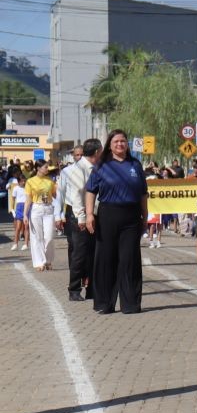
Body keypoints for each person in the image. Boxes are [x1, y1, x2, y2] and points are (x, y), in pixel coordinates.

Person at [86, 130, 149, 315]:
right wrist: (90, 214)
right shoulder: (101, 165)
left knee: (129, 259)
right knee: (106, 258)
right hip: (108, 215)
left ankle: (130, 304)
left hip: (131, 216)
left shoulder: (135, 165)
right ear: (110, 144)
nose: (120, 144)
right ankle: (105, 303)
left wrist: (145, 215)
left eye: (123, 141)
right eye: (116, 141)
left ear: (127, 144)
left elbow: (143, 194)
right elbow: (91, 191)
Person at [55, 139, 102, 301]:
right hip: (78, 216)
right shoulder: (76, 170)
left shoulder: (96, 168)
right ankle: (74, 289)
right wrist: (81, 218)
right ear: (96, 152)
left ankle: (92, 288)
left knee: (93, 254)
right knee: (79, 254)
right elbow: (76, 196)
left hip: (93, 214)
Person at [25, 160, 57, 272]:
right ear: (38, 168)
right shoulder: (30, 181)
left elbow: (55, 195)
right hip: (36, 209)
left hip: (48, 209)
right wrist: (25, 214)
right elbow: (28, 199)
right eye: (45, 167)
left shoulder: (50, 181)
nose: (47, 169)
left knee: (49, 237)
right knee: (37, 237)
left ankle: (48, 260)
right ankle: (40, 262)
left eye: (47, 167)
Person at [11, 173, 28, 250]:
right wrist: (12, 209)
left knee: (26, 226)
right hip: (19, 207)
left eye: (24, 181)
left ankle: (26, 244)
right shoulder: (16, 188)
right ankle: (15, 243)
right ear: (18, 182)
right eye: (22, 181)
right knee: (18, 227)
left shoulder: (27, 187)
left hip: (26, 206)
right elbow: (13, 199)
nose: (23, 183)